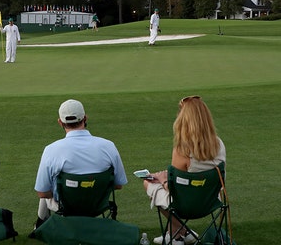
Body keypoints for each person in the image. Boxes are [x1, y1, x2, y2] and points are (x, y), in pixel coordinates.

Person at [30, 99, 128, 236]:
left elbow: (42, 193)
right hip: (98, 205)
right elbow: (118, 185)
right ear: (85, 118)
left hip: (66, 206)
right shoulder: (108, 146)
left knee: (49, 185)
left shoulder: (51, 150)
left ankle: (41, 224)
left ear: (60, 122)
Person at [142, 96, 226, 245]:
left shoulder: (182, 149)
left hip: (187, 205)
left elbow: (175, 190)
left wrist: (163, 180)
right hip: (212, 200)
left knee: (149, 184)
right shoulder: (219, 144)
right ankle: (178, 233)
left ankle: (179, 232)